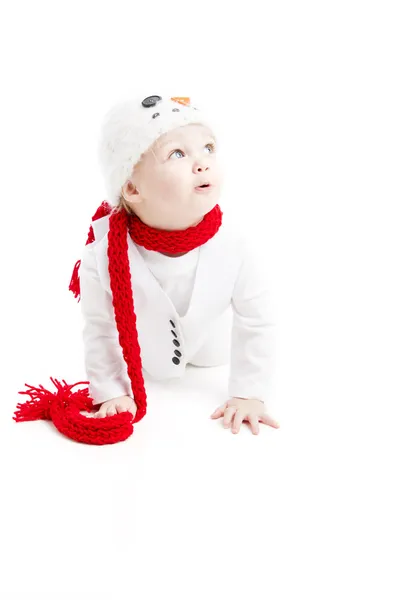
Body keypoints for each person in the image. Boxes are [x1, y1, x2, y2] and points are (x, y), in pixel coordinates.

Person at [76, 94, 280, 436]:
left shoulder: (236, 246)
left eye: (208, 148)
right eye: (177, 154)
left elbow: (256, 318)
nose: (202, 163)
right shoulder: (103, 255)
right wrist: (111, 391)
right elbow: (100, 327)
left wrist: (250, 393)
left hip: (214, 355)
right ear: (131, 187)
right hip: (147, 365)